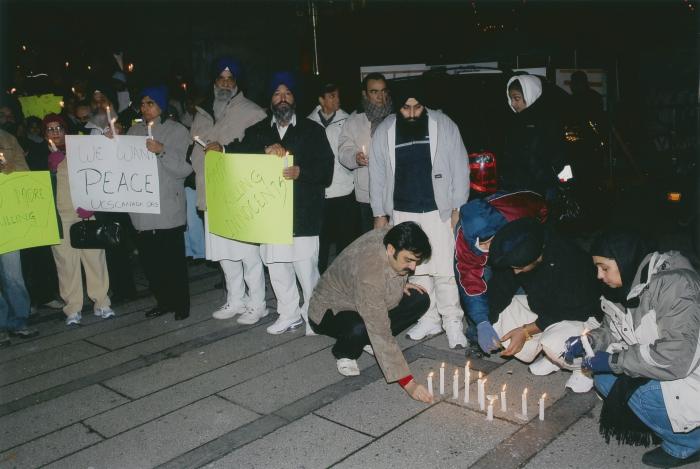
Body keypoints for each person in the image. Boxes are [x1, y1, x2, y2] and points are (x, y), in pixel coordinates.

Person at [564, 230, 700, 468]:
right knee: (605, 379)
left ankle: (689, 444)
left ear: (624, 258)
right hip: (674, 370)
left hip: (689, 371)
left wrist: (615, 360)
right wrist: (590, 342)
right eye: (597, 268)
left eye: (604, 267)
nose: (599, 275)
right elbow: (612, 328)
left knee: (633, 388)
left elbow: (676, 356)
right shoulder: (628, 284)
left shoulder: (675, 285)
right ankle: (673, 426)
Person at [228, 71, 334, 335]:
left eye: (287, 93)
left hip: (302, 214)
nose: (282, 98)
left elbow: (326, 171)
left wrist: (301, 171)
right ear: (271, 100)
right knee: (276, 268)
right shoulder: (258, 131)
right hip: (270, 216)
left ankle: (315, 316)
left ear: (295, 99)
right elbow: (239, 155)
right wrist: (256, 151)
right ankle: (288, 313)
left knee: (306, 269)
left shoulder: (312, 131)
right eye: (277, 94)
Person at [369, 79, 470, 349]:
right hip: (402, 211)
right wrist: (380, 213)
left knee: (445, 270)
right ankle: (428, 318)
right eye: (406, 108)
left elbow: (461, 167)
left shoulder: (443, 124)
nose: (412, 113)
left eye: (417, 107)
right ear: (396, 106)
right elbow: (377, 175)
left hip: (440, 211)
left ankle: (452, 322)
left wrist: (458, 207)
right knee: (415, 269)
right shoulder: (385, 130)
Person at [309, 222, 432, 403]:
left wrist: (401, 284)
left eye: (416, 261)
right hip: (329, 310)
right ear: (390, 250)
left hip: (363, 299)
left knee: (420, 299)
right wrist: (409, 383)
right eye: (408, 260)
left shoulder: (393, 237)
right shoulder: (370, 273)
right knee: (361, 329)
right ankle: (345, 352)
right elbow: (380, 329)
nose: (413, 268)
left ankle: (366, 340)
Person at [486, 217, 603, 392]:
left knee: (556, 343)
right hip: (547, 309)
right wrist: (485, 322)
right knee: (501, 313)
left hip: (583, 316)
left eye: (520, 267)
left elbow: (571, 309)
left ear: (538, 257)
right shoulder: (524, 253)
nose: (515, 272)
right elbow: (500, 290)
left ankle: (584, 368)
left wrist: (526, 331)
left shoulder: (570, 261)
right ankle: (551, 357)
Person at [193, 58, 268, 323]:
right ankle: (236, 299)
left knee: (248, 253)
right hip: (211, 192)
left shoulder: (252, 112)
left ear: (237, 83)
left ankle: (257, 303)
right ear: (214, 82)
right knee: (224, 254)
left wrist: (224, 149)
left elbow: (258, 151)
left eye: (230, 79)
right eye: (221, 79)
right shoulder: (202, 111)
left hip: (239, 194)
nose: (225, 83)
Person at [454, 190, 548, 357]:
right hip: (480, 257)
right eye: (483, 245)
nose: (488, 249)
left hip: (514, 242)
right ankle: (478, 336)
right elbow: (470, 283)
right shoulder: (465, 241)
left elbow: (541, 209)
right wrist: (482, 321)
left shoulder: (518, 213)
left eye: (490, 243)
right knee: (486, 290)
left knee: (522, 284)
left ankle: (531, 332)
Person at [127, 86, 193, 321]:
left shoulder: (178, 131)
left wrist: (162, 151)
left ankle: (181, 303)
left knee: (173, 262)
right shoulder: (133, 131)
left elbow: (185, 169)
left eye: (150, 103)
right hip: (142, 211)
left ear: (162, 105)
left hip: (167, 208)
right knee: (151, 263)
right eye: (142, 104)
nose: (145, 108)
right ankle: (163, 301)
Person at [44, 114, 114, 326]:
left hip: (85, 212)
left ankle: (102, 302)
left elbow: (95, 173)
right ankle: (73, 308)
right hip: (60, 216)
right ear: (44, 133)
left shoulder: (80, 149)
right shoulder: (39, 155)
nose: (56, 132)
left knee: (95, 259)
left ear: (66, 130)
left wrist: (89, 203)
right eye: (50, 129)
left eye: (59, 128)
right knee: (66, 263)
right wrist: (52, 170)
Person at [338, 73, 393, 235]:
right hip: (367, 193)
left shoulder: (397, 116)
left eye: (383, 91)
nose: (380, 96)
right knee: (372, 242)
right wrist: (355, 157)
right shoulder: (354, 120)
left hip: (396, 190)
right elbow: (343, 149)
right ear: (365, 94)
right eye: (374, 92)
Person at [307, 81, 352, 272]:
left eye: (338, 95)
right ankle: (318, 279)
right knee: (320, 241)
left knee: (344, 240)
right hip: (320, 191)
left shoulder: (348, 120)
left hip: (343, 189)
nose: (337, 100)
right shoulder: (308, 123)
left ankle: (343, 278)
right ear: (321, 100)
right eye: (332, 96)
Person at [0, 128, 39, 345]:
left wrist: (10, 169)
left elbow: (26, 172)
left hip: (8, 219)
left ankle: (19, 320)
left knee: (13, 276)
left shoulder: (7, 138)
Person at [500, 74, 567, 201]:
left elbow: (559, 156)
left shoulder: (547, 120)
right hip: (519, 188)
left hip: (543, 188)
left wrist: (558, 181)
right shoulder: (515, 121)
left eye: (517, 98)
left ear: (529, 94)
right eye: (511, 98)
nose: (513, 103)